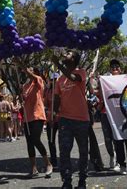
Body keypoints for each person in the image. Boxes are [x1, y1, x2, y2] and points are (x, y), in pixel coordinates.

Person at [52, 51, 89, 189]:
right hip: (65, 120)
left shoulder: (81, 72)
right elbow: (57, 97)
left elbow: (73, 78)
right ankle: (66, 181)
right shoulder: (60, 79)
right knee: (64, 151)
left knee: (83, 151)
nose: (64, 54)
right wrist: (54, 111)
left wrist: (59, 64)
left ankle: (82, 181)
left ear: (74, 59)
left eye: (68, 53)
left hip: (81, 119)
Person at [105, 59, 127, 175]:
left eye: (117, 67)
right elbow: (99, 92)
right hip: (114, 116)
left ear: (120, 69)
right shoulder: (106, 81)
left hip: (126, 114)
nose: (115, 69)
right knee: (118, 141)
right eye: (112, 67)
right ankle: (122, 165)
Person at [21, 67, 53, 178]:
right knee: (29, 142)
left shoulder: (38, 80)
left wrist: (22, 66)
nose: (27, 70)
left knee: (35, 139)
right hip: (27, 117)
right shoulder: (25, 86)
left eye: (30, 69)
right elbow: (25, 99)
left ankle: (48, 164)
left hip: (37, 115)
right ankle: (34, 168)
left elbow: (31, 75)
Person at [44, 73, 59, 168]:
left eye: (56, 79)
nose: (54, 81)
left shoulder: (61, 90)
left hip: (61, 118)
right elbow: (45, 104)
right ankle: (54, 161)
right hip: (50, 119)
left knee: (63, 141)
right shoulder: (48, 91)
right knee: (51, 141)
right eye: (53, 79)